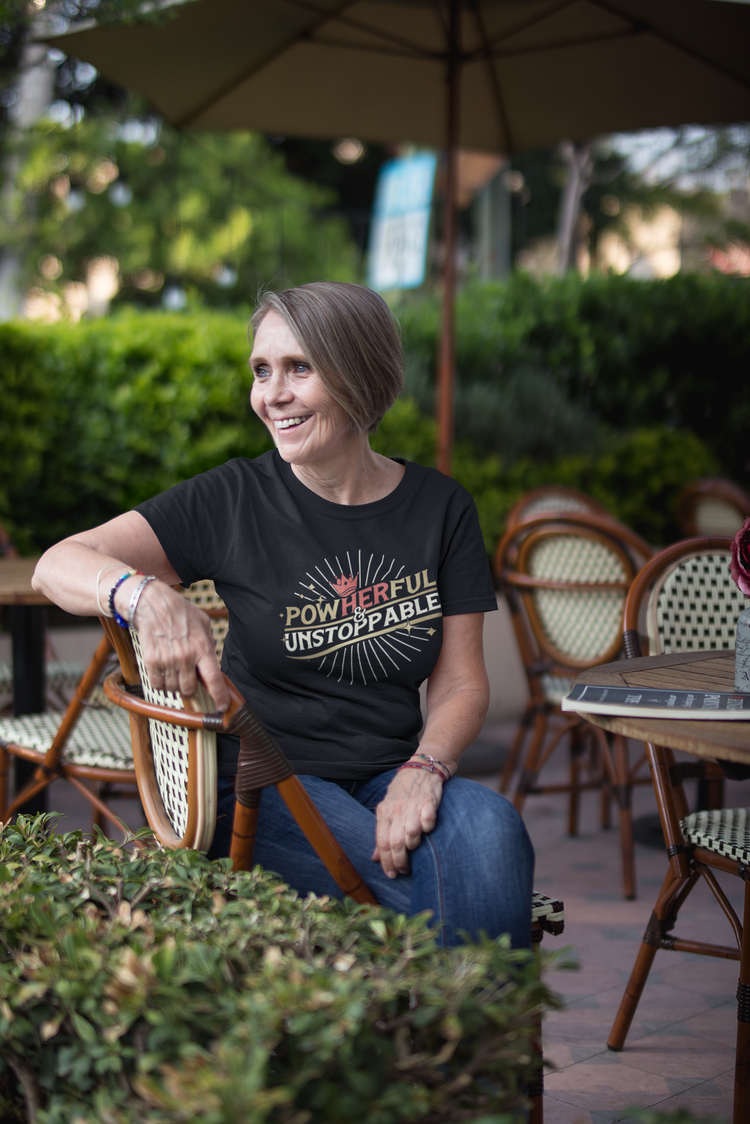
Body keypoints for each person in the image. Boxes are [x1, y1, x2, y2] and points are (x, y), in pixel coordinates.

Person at [33, 281, 533, 948]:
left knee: (496, 833)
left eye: (300, 368)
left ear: (360, 374)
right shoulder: (235, 498)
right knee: (451, 890)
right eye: (262, 371)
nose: (272, 394)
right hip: (258, 781)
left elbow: (461, 681)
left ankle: (441, 1032)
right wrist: (143, 595)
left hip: (392, 770)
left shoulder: (440, 508)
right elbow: (58, 563)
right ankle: (477, 1037)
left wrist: (425, 770)